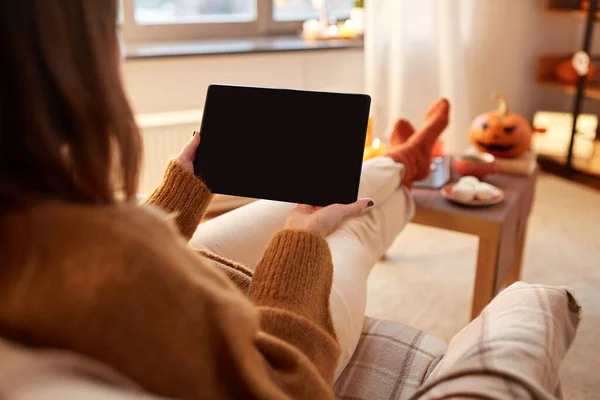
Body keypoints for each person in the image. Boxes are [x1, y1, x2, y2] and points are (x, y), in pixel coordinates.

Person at [0, 0, 453, 399]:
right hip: (255, 325)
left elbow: (105, 262)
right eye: (110, 28)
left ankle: (400, 161)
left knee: (321, 195)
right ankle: (408, 163)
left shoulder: (32, 229)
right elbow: (287, 384)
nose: (116, 49)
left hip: (174, 262)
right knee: (353, 222)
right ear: (58, 65)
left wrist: (181, 190)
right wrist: (302, 239)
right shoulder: (102, 270)